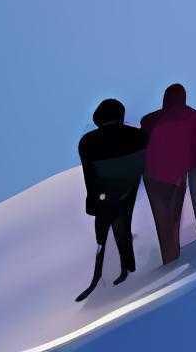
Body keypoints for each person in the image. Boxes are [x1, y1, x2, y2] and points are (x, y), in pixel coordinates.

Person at [76, 98, 148, 299]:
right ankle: (128, 265)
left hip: (104, 193)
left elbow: (89, 176)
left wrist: (91, 202)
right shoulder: (138, 136)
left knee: (104, 228)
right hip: (129, 187)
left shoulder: (87, 142)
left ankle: (104, 272)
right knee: (123, 222)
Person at [139, 82, 196, 267]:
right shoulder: (194, 116)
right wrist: (192, 164)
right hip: (177, 175)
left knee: (161, 219)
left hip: (152, 176)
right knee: (174, 216)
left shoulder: (148, 120)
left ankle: (168, 258)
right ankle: (173, 257)